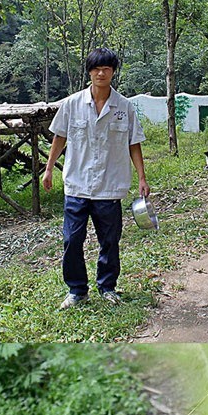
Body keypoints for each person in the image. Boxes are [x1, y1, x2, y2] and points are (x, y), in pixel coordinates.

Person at [42, 44, 149, 303]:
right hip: (77, 184)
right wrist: (48, 169)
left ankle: (107, 287)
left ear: (113, 72)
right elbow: (60, 137)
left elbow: (134, 143)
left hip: (110, 185)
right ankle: (77, 291)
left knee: (110, 242)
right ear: (89, 72)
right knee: (72, 240)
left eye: (106, 69)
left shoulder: (125, 107)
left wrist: (142, 178)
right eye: (96, 69)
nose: (101, 74)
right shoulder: (72, 104)